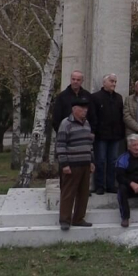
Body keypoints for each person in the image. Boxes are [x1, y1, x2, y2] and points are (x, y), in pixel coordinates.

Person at [56, 98, 95, 231]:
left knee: (83, 193)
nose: (84, 111)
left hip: (85, 163)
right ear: (74, 109)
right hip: (72, 165)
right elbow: (60, 145)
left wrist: (92, 161)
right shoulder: (66, 124)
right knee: (68, 193)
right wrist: (64, 164)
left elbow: (90, 144)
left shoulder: (87, 124)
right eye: (81, 109)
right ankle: (65, 219)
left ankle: (78, 218)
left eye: (86, 109)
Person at [91, 74, 125, 195]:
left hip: (115, 135)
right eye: (111, 81)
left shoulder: (119, 98)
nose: (114, 84)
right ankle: (99, 185)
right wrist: (93, 132)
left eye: (115, 82)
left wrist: (121, 132)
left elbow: (122, 116)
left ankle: (111, 185)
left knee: (113, 161)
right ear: (104, 82)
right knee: (100, 161)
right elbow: (93, 116)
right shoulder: (95, 97)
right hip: (101, 136)